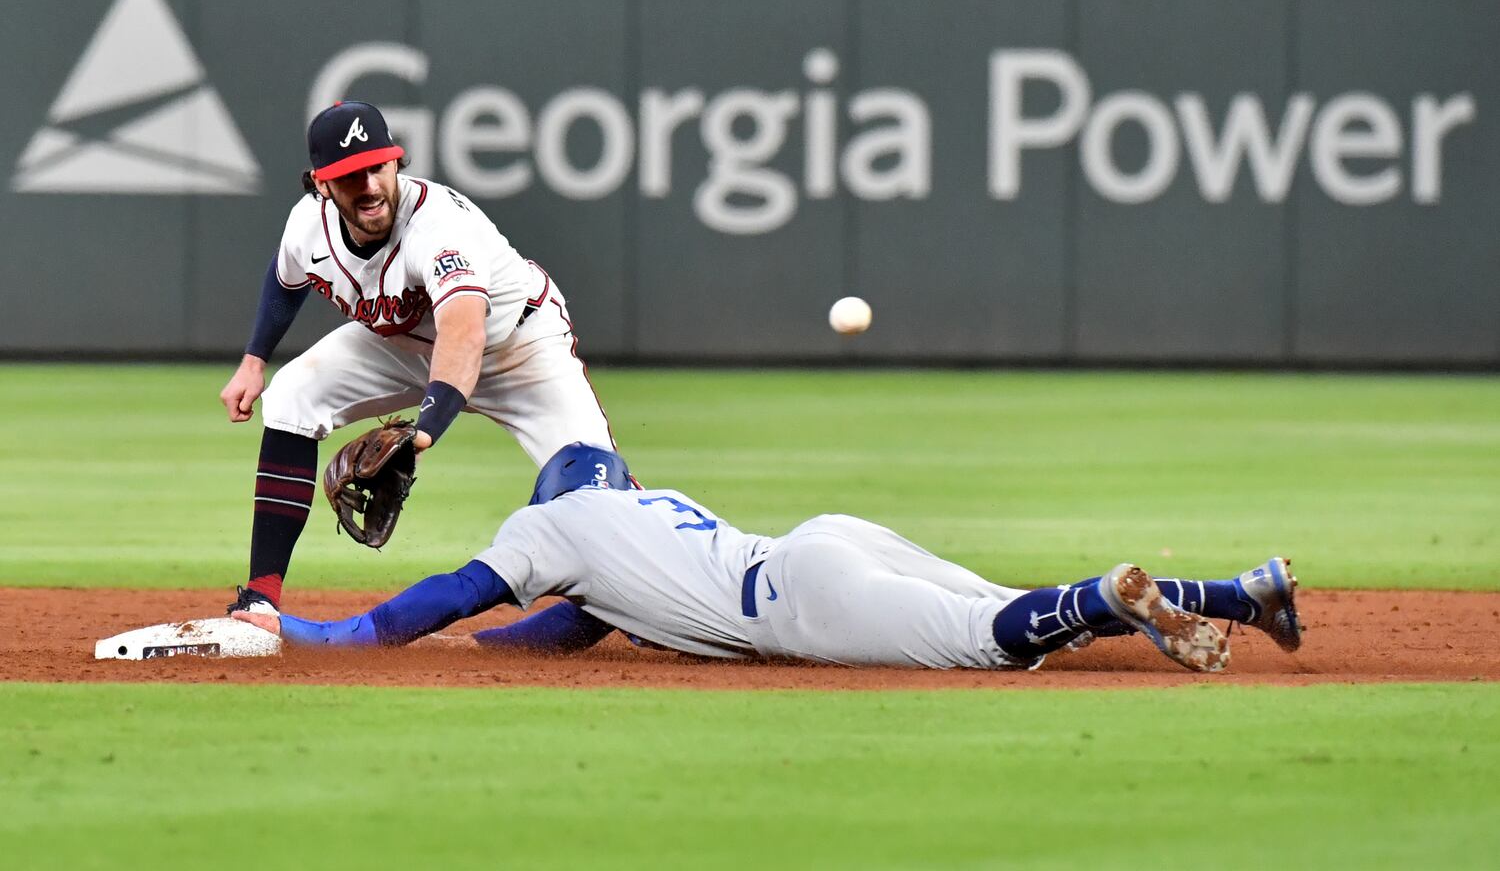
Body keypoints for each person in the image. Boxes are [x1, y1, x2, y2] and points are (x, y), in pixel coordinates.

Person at [233, 444, 1302, 673]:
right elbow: (576, 623)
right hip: (818, 536)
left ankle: (1105, 592)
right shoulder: (646, 506)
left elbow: (455, 593)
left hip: (798, 604)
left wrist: (332, 631)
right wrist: (498, 644)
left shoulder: (547, 532)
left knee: (994, 641)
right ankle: (1245, 596)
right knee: (1010, 603)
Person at [218, 102, 621, 616]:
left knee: (604, 492)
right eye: (348, 175)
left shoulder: (440, 226)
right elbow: (285, 278)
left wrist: (423, 433)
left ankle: (655, 604)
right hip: (401, 346)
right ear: (321, 184)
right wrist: (254, 360)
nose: (368, 185)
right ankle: (260, 601)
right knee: (292, 397)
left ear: (395, 162)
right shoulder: (307, 226)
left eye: (377, 167)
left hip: (518, 349)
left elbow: (463, 333)